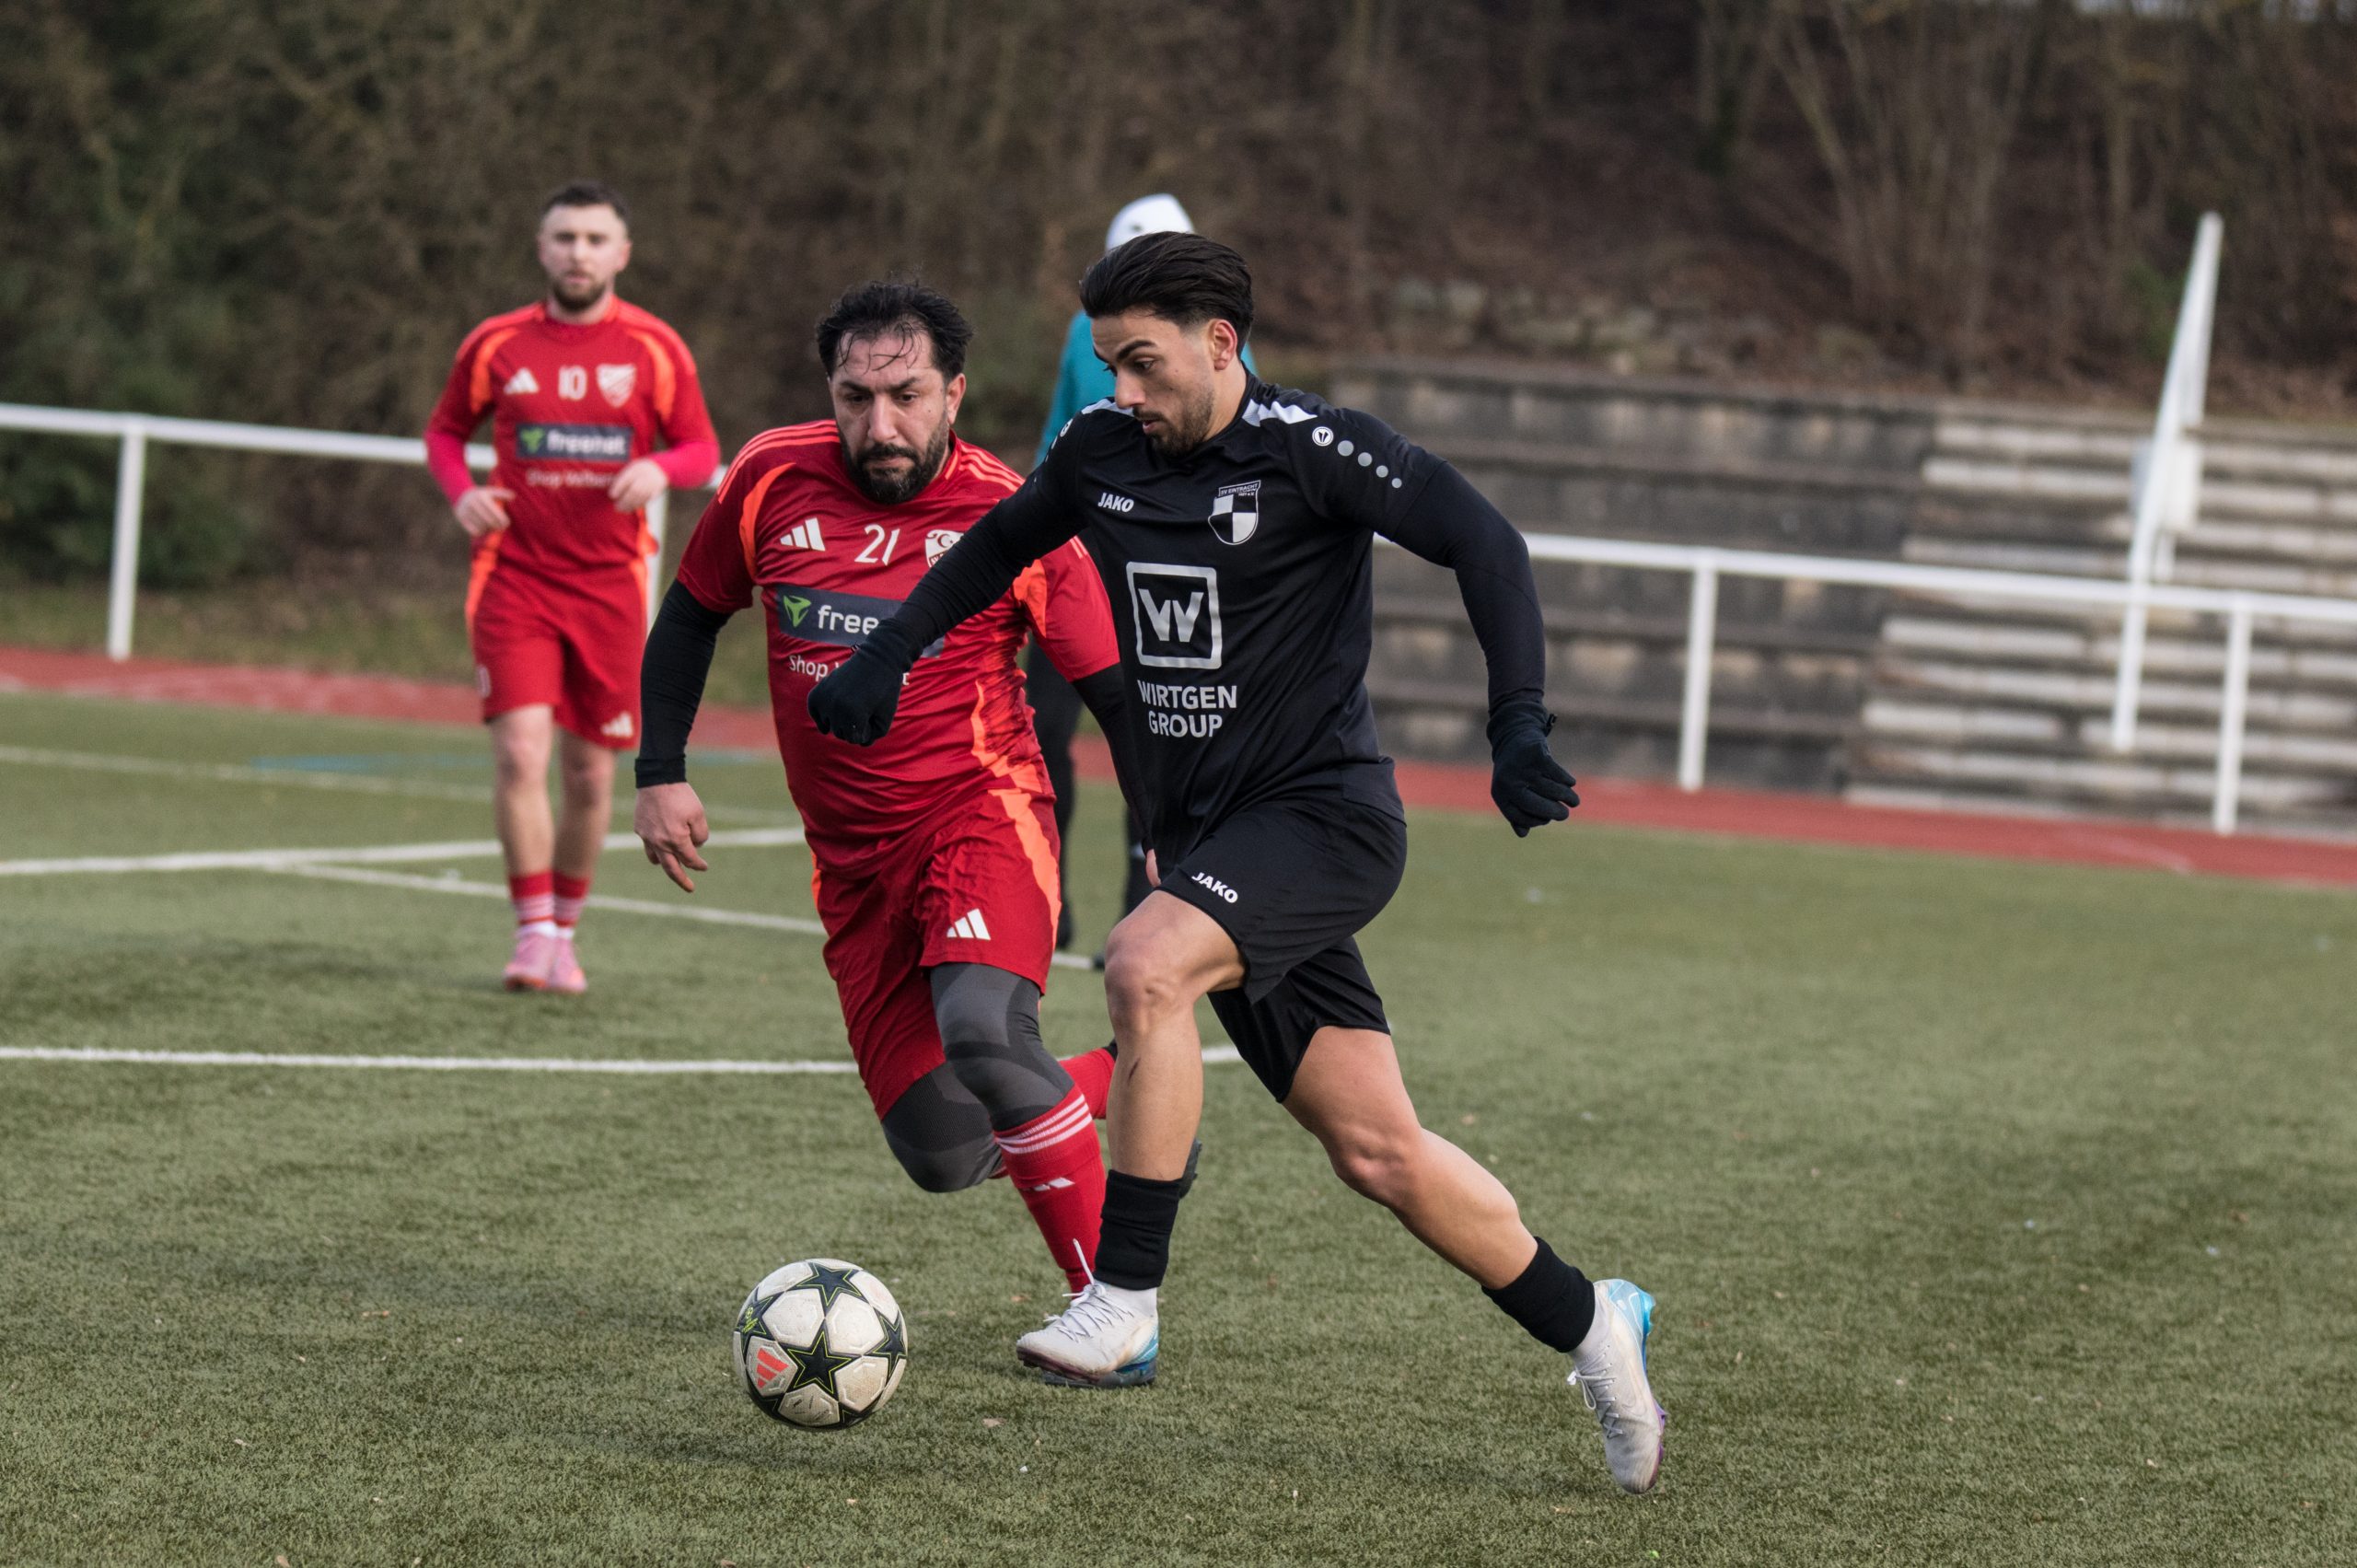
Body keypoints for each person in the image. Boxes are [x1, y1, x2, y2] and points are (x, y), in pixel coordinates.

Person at [807, 235, 1666, 1492]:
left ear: (1222, 343)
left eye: (1143, 363)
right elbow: (992, 550)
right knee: (1379, 1151)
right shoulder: (1101, 451)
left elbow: (1488, 544)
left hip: (1322, 820)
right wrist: (890, 653)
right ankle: (1598, 1321)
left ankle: (1124, 1295)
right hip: (1219, 846)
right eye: (1109, 365)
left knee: (1143, 962)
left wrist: (1518, 724)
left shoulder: (1314, 448)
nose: (1123, 392)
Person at [633, 281, 1135, 1298]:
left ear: (954, 393)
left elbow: (1115, 692)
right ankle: (1133, 1082)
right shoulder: (771, 475)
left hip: (979, 817)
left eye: (906, 396)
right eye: (855, 398)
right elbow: (689, 613)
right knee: (943, 1148)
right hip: (853, 867)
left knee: (986, 1031)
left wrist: (1164, 831)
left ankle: (1111, 1305)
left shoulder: (1013, 510)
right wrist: (659, 772)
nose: (881, 424)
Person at [424, 180, 718, 994]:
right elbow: (445, 432)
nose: (578, 253)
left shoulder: (656, 348)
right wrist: (462, 492)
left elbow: (700, 448)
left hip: (611, 591)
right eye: (564, 238)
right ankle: (531, 936)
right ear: (541, 248)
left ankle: (563, 931)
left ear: (622, 253)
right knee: (522, 753)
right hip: (514, 578)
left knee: (590, 775)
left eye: (594, 239)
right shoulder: (496, 344)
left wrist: (660, 467)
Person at [1025, 196, 1256, 948]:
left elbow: (1243, 465)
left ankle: (1145, 899)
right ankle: (1045, 895)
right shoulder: (1083, 335)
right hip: (1075, 565)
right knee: (1041, 730)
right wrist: (1028, 535)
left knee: (1158, 735)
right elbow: (1057, 438)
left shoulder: (1222, 346)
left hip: (1163, 576)